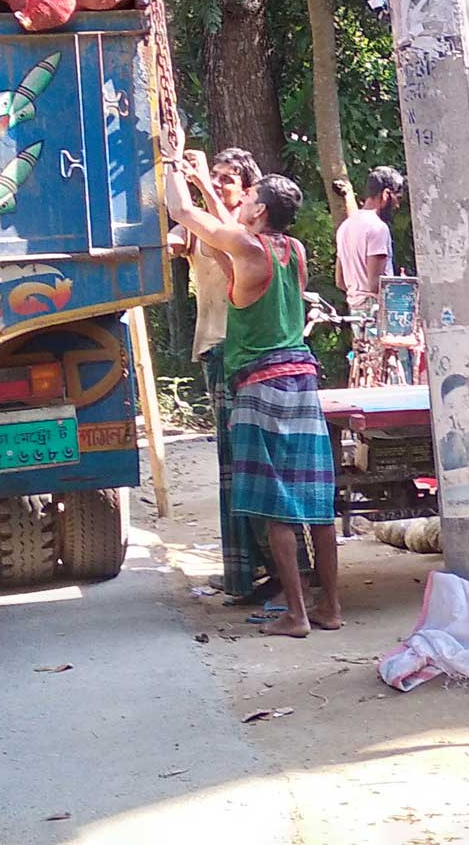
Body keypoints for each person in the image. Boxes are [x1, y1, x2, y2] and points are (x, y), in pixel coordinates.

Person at [166, 151, 340, 637]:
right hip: (302, 379)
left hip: (261, 385)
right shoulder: (293, 252)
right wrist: (204, 182)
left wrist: (170, 166)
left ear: (258, 209)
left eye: (248, 198)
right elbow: (225, 250)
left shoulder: (248, 248)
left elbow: (183, 215)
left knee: (274, 504)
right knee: (318, 502)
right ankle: (331, 607)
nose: (240, 203)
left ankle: (297, 615)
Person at [165, 147, 269, 601]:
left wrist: (200, 179)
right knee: (232, 465)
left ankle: (267, 569)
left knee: (251, 463)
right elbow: (177, 221)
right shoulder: (202, 230)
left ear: (248, 192)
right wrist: (171, 167)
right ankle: (244, 572)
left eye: (230, 180)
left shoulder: (248, 232)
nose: (221, 184)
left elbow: (200, 216)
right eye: (218, 178)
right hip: (217, 349)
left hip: (244, 351)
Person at [335, 166, 405, 316]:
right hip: (377, 312)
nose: (397, 206)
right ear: (386, 194)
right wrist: (403, 285)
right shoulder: (378, 228)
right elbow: (375, 285)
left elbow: (340, 281)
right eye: (397, 199)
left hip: (355, 312)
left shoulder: (345, 227)